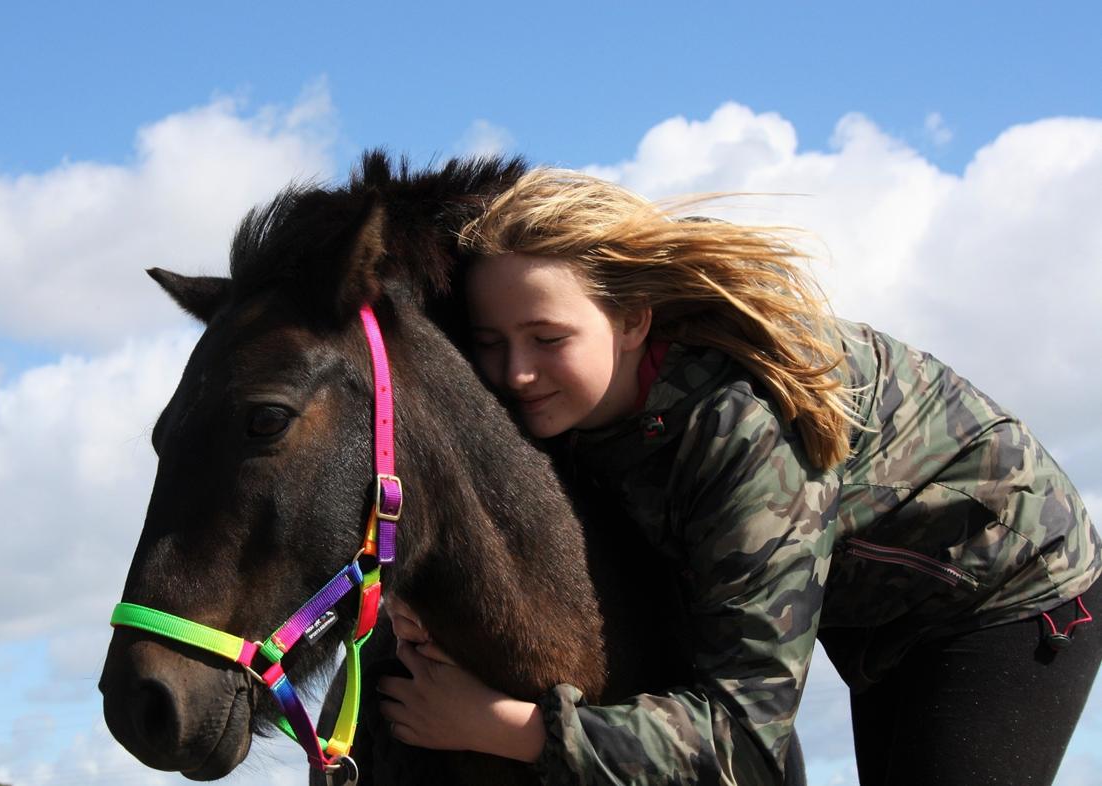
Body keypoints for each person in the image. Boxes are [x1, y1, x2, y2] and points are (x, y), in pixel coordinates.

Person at [375, 168, 1102, 785]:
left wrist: (515, 730)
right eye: (491, 343)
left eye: (548, 338)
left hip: (1001, 592)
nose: (517, 372)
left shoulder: (742, 432)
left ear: (633, 321)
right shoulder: (562, 400)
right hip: (865, 598)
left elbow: (745, 737)